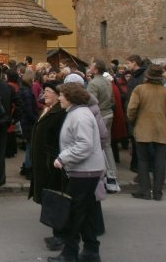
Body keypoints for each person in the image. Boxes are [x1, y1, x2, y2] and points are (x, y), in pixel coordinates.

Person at [50, 82, 106, 262]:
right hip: (86, 170)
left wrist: (63, 158)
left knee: (74, 214)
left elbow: (84, 145)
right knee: (87, 211)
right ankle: (91, 250)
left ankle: (69, 253)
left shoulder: (80, 115)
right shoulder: (78, 113)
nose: (59, 98)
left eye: (62, 95)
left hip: (84, 171)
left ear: (71, 97)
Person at [126, 65, 166, 201]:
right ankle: (158, 192)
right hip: (161, 130)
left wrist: (134, 123)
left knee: (143, 161)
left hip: (143, 129)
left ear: (147, 76)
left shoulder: (139, 90)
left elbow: (131, 110)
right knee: (160, 162)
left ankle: (145, 191)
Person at [28, 80, 67, 252]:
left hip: (52, 163)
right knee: (49, 198)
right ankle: (58, 233)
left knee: (55, 198)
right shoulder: (47, 110)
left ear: (59, 95)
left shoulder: (60, 113)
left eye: (48, 91)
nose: (44, 94)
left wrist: (55, 158)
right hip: (44, 162)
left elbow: (62, 139)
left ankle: (60, 235)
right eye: (44, 90)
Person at [86, 60, 119, 193]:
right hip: (108, 113)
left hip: (100, 116)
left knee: (98, 146)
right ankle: (112, 173)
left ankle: (101, 174)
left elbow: (91, 102)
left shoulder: (93, 83)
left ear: (95, 70)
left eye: (91, 66)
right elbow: (112, 99)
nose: (89, 68)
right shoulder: (107, 81)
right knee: (107, 145)